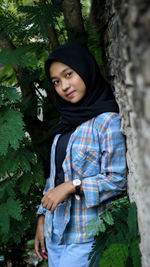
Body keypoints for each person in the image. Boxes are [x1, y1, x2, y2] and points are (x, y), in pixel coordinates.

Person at [34, 43, 127, 267]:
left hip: (85, 237)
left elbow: (117, 179)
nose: (64, 86)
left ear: (85, 70)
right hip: (55, 233)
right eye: (56, 81)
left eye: (69, 75)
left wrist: (71, 186)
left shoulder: (107, 121)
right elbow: (54, 177)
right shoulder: (65, 123)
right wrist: (42, 217)